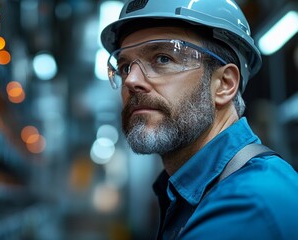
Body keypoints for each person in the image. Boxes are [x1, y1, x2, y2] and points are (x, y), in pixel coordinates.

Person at [100, 0, 298, 239]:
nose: (131, 80)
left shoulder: (246, 204)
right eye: (123, 67)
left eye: (163, 59)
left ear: (224, 85)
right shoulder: (193, 193)